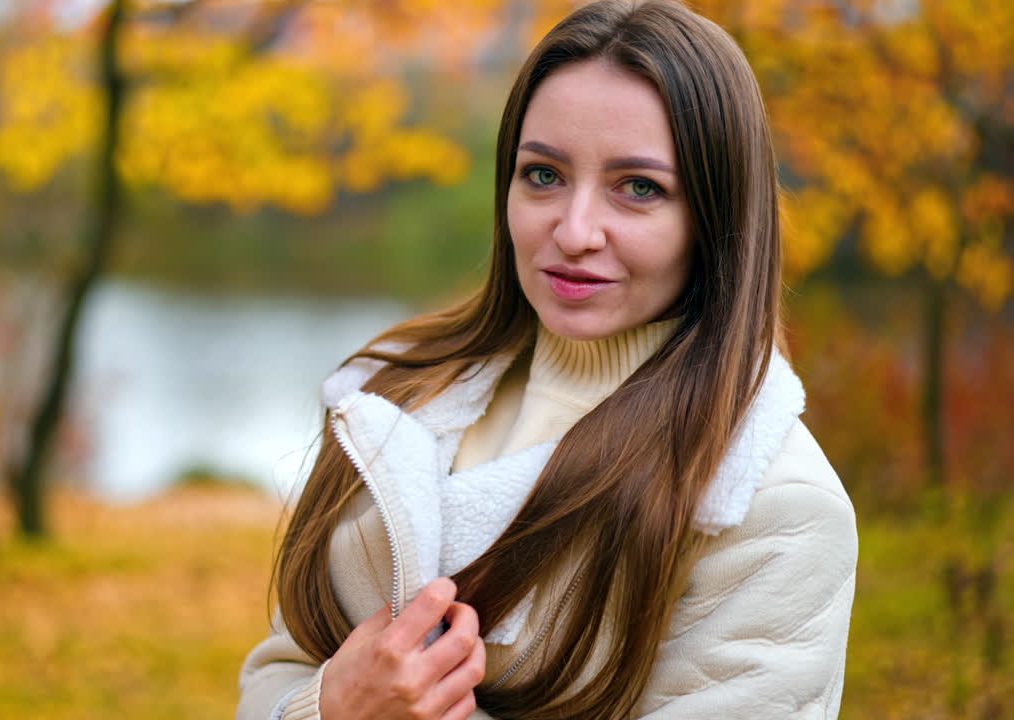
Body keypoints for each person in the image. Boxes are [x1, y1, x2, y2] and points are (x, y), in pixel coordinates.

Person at [238, 1, 858, 718]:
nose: (574, 231)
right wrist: (327, 708)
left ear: (715, 219)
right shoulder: (394, 394)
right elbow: (279, 669)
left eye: (639, 188)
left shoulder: (774, 503)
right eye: (543, 175)